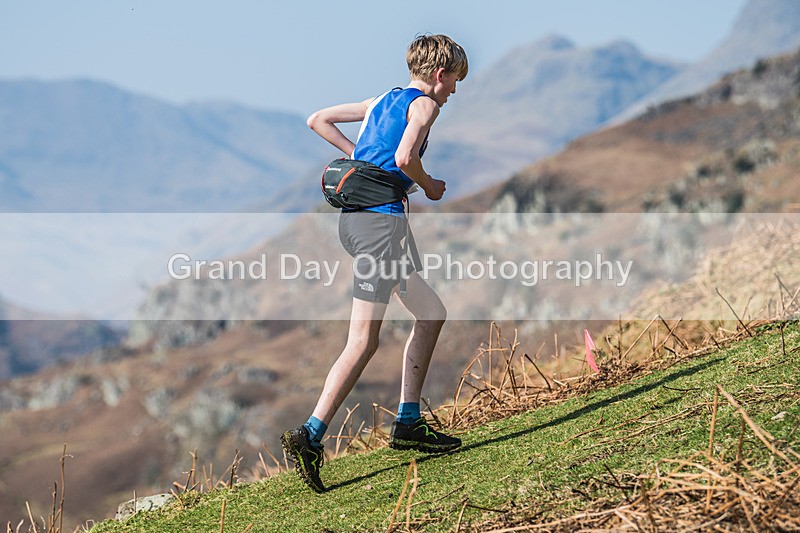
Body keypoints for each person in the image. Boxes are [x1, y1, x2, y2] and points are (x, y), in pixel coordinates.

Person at [281, 34, 468, 493]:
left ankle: (408, 423)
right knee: (363, 341)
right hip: (381, 227)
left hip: (359, 222)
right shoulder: (425, 106)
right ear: (440, 75)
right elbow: (405, 157)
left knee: (431, 313)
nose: (454, 92)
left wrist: (358, 157)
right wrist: (429, 185)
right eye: (455, 81)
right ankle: (310, 435)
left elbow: (317, 119)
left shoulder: (382, 99)